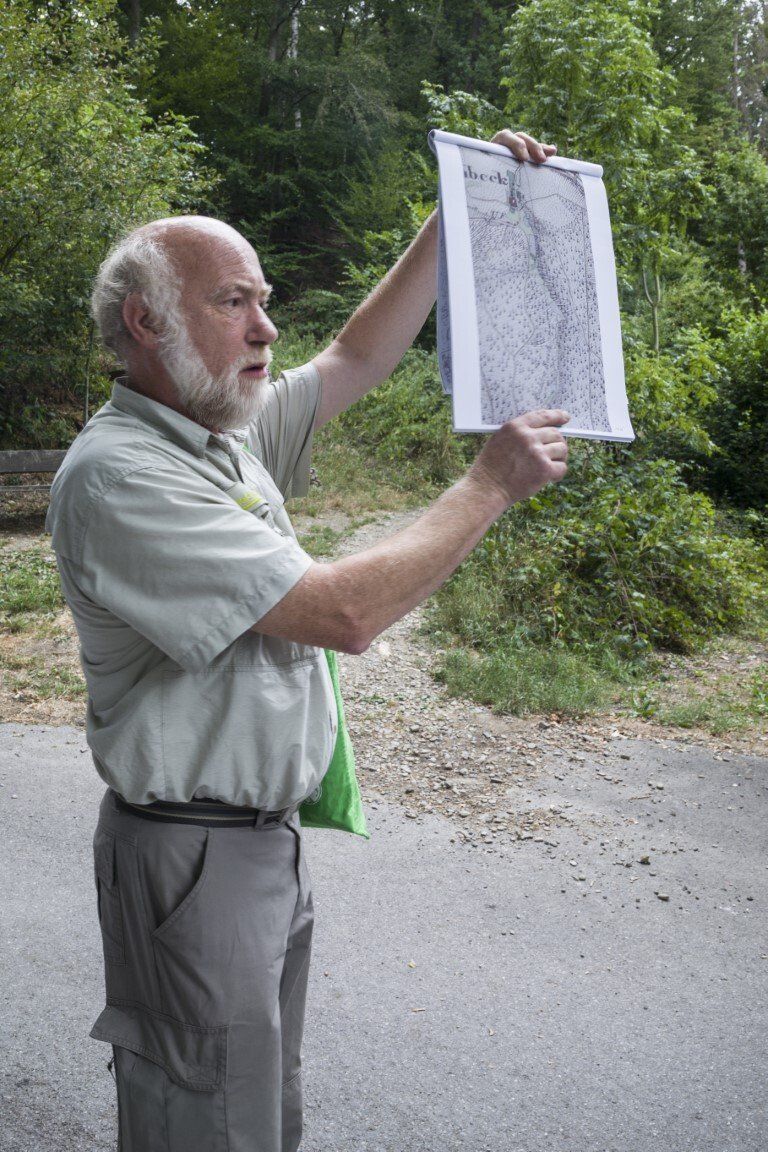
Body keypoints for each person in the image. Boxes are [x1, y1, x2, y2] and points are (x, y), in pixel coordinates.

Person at [45, 129, 567, 1152]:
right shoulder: (122, 474)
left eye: (265, 299)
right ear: (147, 321)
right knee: (208, 1127)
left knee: (258, 1116)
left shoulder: (220, 432)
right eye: (232, 301)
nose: (266, 327)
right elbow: (342, 614)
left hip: (255, 846)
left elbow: (356, 356)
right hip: (192, 852)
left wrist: (457, 213)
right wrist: (488, 486)